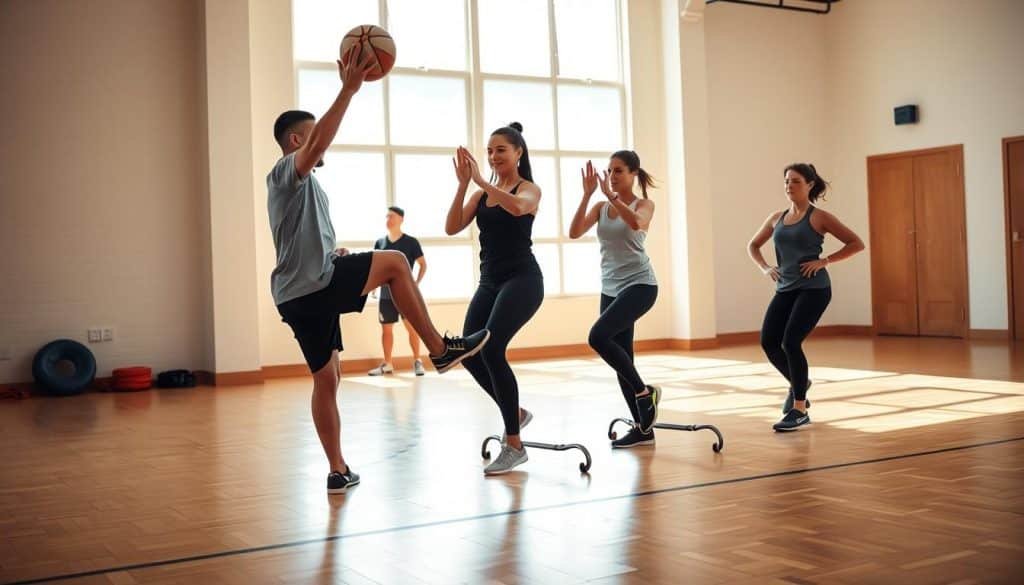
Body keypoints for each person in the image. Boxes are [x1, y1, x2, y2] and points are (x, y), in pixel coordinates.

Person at [267, 48, 490, 493]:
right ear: (296, 142)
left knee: (326, 379)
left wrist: (333, 253)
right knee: (395, 262)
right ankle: (438, 349)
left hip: (298, 294)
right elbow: (318, 143)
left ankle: (337, 470)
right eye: (310, 138)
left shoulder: (308, 189)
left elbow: (300, 244)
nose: (318, 144)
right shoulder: (285, 173)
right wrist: (348, 91)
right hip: (311, 288)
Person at [446, 122, 542, 475]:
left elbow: (518, 208)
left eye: (501, 149)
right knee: (469, 353)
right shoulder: (480, 195)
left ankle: (514, 445)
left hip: (523, 280)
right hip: (490, 282)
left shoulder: (528, 189)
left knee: (490, 347)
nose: (493, 155)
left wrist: (483, 182)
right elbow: (452, 226)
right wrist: (462, 187)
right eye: (489, 150)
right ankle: (514, 413)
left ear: (518, 152)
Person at [746, 163, 865, 432]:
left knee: (790, 342)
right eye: (786, 181)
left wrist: (825, 261)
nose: (789, 186)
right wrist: (766, 267)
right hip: (785, 288)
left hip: (814, 290)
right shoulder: (776, 217)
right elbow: (753, 245)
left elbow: (856, 243)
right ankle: (800, 382)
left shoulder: (819, 217)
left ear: (810, 184)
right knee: (769, 342)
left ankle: (799, 409)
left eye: (796, 181)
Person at [569, 152, 661, 448]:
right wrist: (586, 196)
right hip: (610, 289)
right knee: (623, 359)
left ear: (634, 174)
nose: (612, 176)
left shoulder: (644, 204)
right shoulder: (600, 207)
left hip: (641, 286)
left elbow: (636, 223)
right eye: (609, 171)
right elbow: (573, 233)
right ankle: (643, 429)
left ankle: (645, 394)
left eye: (619, 170)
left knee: (597, 336)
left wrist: (615, 198)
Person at [368, 206, 427, 377]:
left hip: (405, 295)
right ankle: (388, 364)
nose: (388, 219)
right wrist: (373, 287)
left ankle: (417, 361)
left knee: (412, 328)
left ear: (401, 219)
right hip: (386, 296)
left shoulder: (411, 242)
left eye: (392, 216)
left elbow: (423, 264)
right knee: (386, 330)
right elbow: (376, 268)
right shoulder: (380, 243)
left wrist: (415, 283)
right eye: (386, 216)